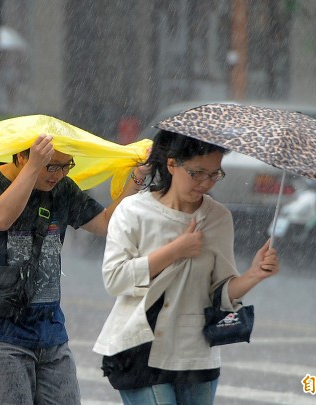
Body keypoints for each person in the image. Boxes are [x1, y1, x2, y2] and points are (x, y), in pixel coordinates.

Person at [93, 129, 279, 405]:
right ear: (172, 164)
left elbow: (219, 292)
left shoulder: (218, 217)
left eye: (214, 174)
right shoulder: (133, 211)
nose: (205, 182)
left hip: (196, 355)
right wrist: (175, 251)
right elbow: (115, 279)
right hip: (139, 349)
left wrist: (254, 275)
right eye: (196, 173)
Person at [0, 133, 148, 404]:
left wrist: (137, 178)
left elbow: (108, 223)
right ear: (21, 158)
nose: (59, 174)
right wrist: (33, 167)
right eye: (51, 166)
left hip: (49, 331)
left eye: (67, 165)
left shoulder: (62, 189)